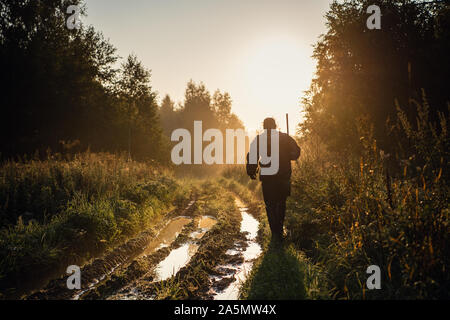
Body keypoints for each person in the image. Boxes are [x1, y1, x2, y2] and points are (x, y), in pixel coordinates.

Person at [246, 117, 300, 244]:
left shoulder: (259, 139)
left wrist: (251, 171)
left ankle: (274, 233)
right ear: (275, 126)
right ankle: (279, 230)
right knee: (281, 203)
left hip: (268, 178)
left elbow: (252, 155)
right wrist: (289, 155)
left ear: (264, 127)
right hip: (283, 177)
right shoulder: (286, 138)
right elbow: (296, 152)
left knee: (270, 204)